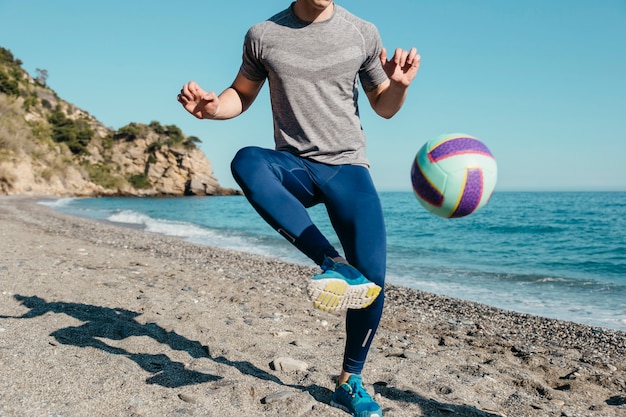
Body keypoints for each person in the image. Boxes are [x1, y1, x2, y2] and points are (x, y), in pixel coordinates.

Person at [178, 1, 420, 415]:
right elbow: (241, 93)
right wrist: (214, 109)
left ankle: (350, 381)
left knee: (373, 281)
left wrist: (398, 85)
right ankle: (332, 261)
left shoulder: (362, 31)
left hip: (348, 170)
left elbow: (384, 105)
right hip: (295, 165)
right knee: (247, 161)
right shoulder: (263, 35)